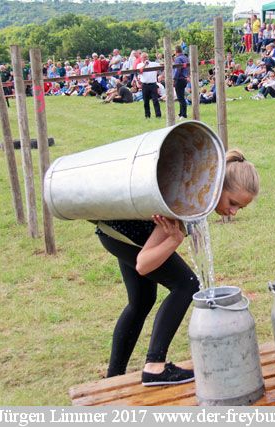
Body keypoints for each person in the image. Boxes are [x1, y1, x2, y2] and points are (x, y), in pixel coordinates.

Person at [97, 149, 260, 384]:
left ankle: (113, 377)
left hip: (117, 232)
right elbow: (143, 264)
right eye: (232, 203)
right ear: (217, 186)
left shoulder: (198, 189)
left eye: (239, 208)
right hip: (124, 237)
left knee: (141, 300)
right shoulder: (186, 200)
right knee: (186, 284)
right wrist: (174, 240)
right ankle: (154, 366)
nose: (233, 212)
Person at [137, 52, 162, 119]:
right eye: (144, 57)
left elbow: (161, 65)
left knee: (155, 100)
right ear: (141, 58)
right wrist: (145, 65)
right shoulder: (139, 65)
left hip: (153, 84)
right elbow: (139, 72)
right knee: (146, 101)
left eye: (146, 57)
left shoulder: (153, 63)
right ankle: (147, 115)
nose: (146, 58)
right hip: (145, 85)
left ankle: (158, 115)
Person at [173, 46, 189, 120]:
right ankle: (180, 113)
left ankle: (184, 114)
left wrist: (174, 79)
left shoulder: (178, 59)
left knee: (180, 98)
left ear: (176, 51)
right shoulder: (186, 58)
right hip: (184, 78)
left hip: (179, 79)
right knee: (181, 97)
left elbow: (177, 69)